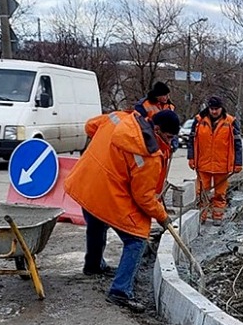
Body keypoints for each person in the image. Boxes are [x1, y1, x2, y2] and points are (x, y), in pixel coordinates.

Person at [65, 109, 180, 313]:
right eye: (169, 137)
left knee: (96, 221)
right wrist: (162, 216)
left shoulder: (121, 118)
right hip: (106, 192)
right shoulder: (149, 156)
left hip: (85, 181)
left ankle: (93, 265)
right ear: (156, 129)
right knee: (136, 239)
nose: (170, 143)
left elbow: (90, 126)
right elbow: (143, 198)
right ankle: (121, 291)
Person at [187, 96, 243, 226]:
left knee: (220, 194)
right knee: (201, 193)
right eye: (211, 109)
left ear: (221, 108)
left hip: (222, 165)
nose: (214, 111)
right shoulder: (199, 121)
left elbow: (237, 144)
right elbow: (192, 141)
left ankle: (217, 215)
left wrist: (238, 163)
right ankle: (202, 215)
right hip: (203, 164)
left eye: (216, 109)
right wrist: (191, 158)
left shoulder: (230, 122)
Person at [133, 82, 179, 150]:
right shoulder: (144, 105)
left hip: (165, 142)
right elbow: (140, 124)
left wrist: (173, 143)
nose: (167, 97)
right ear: (157, 95)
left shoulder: (170, 106)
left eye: (168, 95)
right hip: (150, 142)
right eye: (165, 95)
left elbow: (173, 127)